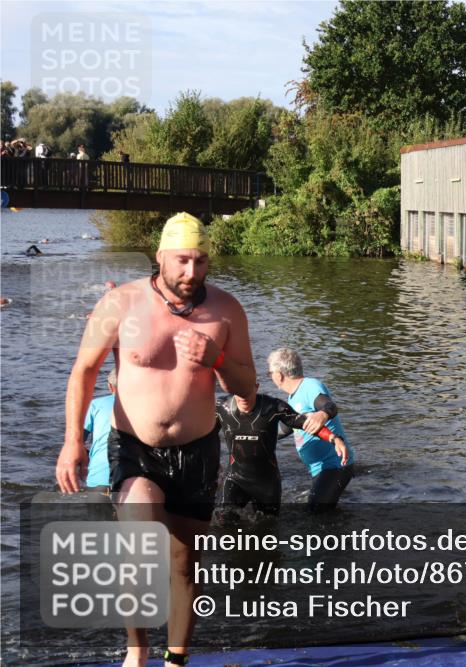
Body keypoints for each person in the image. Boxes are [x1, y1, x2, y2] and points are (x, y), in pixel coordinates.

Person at [55, 211, 256, 667]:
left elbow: (247, 388)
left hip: (198, 449)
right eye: (182, 260)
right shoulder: (120, 304)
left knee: (185, 564)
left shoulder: (226, 310)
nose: (191, 272)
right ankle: (138, 650)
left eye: (200, 261)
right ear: (160, 256)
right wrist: (73, 441)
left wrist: (216, 358)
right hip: (135, 448)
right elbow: (83, 372)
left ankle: (176, 658)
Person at [216, 383, 346, 518]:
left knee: (268, 526)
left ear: (256, 387)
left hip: (266, 483)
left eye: (247, 390)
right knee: (223, 520)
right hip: (234, 478)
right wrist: (213, 464)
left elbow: (304, 423)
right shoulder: (221, 407)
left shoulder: (274, 407)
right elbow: (208, 434)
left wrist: (334, 438)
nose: (243, 396)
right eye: (239, 391)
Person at [267, 348, 355, 512]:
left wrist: (322, 414)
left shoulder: (310, 386)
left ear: (279, 375)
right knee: (319, 513)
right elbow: (285, 429)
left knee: (316, 516)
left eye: (269, 373)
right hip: (320, 469)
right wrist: (258, 434)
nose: (270, 377)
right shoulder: (293, 398)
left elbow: (329, 406)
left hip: (334, 466)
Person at [83, 368, 117, 491]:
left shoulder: (96, 405)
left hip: (99, 477)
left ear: (110, 386)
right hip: (135, 479)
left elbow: (78, 440)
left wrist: (89, 455)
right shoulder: (144, 406)